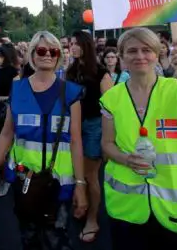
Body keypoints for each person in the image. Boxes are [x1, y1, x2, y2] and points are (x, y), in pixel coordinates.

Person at [100, 27, 177, 250]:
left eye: (147, 50)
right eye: (132, 51)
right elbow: (107, 144)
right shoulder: (111, 97)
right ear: (122, 57)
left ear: (157, 54)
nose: (139, 56)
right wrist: (126, 159)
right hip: (129, 208)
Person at [0, 31, 87, 249]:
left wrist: (81, 184)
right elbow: (7, 133)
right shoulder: (18, 89)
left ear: (59, 55)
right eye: (41, 50)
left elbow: (76, 141)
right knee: (28, 237)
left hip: (60, 182)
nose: (48, 55)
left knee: (57, 239)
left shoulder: (70, 93)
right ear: (32, 54)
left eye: (53, 51)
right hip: (25, 180)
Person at [66, 30, 113, 243]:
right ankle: (80, 203)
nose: (72, 47)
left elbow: (111, 109)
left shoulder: (102, 73)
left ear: (86, 45)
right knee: (77, 171)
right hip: (73, 126)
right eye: (71, 43)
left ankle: (93, 218)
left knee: (90, 175)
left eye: (76, 43)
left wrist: (108, 141)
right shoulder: (70, 71)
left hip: (95, 126)